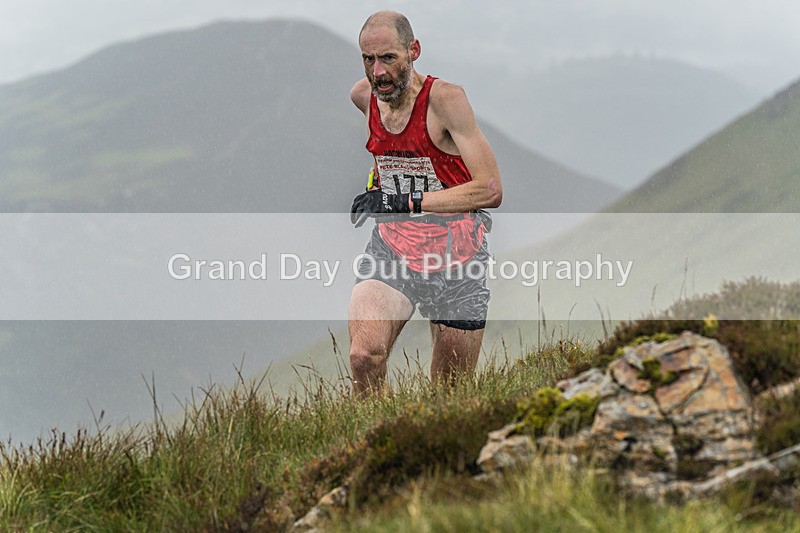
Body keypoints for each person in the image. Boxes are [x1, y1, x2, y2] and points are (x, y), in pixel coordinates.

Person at [348, 10, 502, 394]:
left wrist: (407, 200)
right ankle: (370, 444)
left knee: (449, 396)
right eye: (369, 59)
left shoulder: (445, 100)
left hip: (457, 261)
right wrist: (378, 188)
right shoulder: (364, 98)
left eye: (389, 58)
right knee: (363, 357)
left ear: (413, 51)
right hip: (393, 251)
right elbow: (391, 150)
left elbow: (490, 189)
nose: (378, 72)